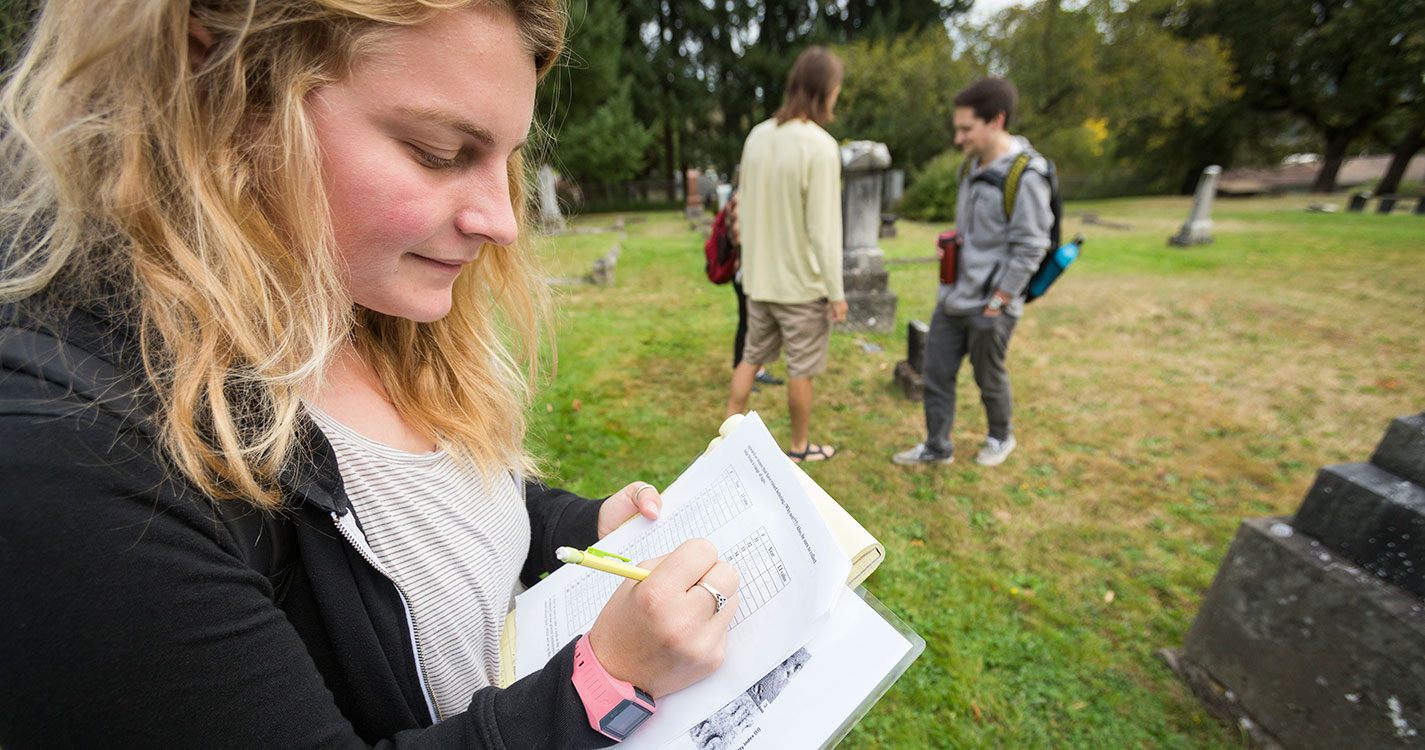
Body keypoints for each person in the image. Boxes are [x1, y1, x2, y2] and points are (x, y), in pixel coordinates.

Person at [0, 2, 738, 748]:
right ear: (221, 82)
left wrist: (577, 527)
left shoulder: (361, 302)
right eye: (437, 150)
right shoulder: (77, 458)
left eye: (508, 160)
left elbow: (437, 507)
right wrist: (601, 688)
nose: (501, 220)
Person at [894, 77, 1052, 468]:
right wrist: (951, 246)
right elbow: (972, 232)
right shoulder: (969, 168)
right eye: (957, 128)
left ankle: (1001, 436)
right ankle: (936, 446)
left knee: (989, 377)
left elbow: (1032, 247)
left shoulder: (1026, 176)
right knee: (936, 374)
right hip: (953, 297)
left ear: (996, 121)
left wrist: (999, 301)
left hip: (991, 304)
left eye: (966, 129)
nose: (958, 138)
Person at [723, 46, 847, 464]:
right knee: (801, 369)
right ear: (827, 90)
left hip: (759, 280)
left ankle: (725, 440)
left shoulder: (757, 135)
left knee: (751, 357)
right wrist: (837, 292)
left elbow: (743, 204)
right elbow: (824, 229)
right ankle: (797, 449)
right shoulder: (821, 146)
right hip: (801, 286)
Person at [725, 188, 785, 390]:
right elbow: (737, 236)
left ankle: (757, 370)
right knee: (746, 325)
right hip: (745, 274)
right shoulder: (741, 196)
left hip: (758, 273)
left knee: (756, 327)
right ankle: (742, 370)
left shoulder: (755, 193)